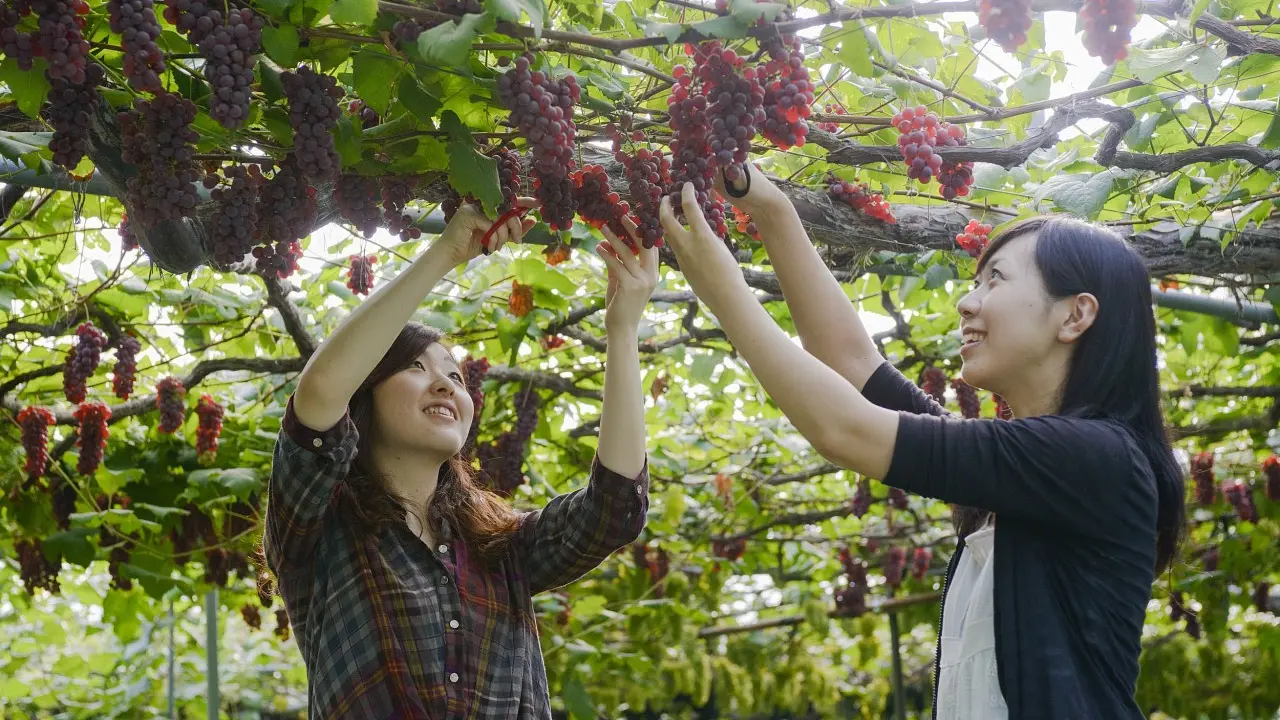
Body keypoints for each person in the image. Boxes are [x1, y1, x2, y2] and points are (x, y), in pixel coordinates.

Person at [658, 166, 1186, 719]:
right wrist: (771, 209)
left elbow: (845, 429)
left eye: (996, 280)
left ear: (1075, 315)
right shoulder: (1028, 471)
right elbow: (853, 365)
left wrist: (723, 289)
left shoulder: (1097, 457)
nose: (967, 301)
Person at [263, 197, 659, 719]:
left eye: (454, 375)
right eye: (417, 368)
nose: (445, 386)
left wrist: (623, 328)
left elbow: (612, 510)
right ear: (366, 392)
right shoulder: (321, 530)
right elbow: (316, 397)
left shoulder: (499, 549)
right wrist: (446, 253)